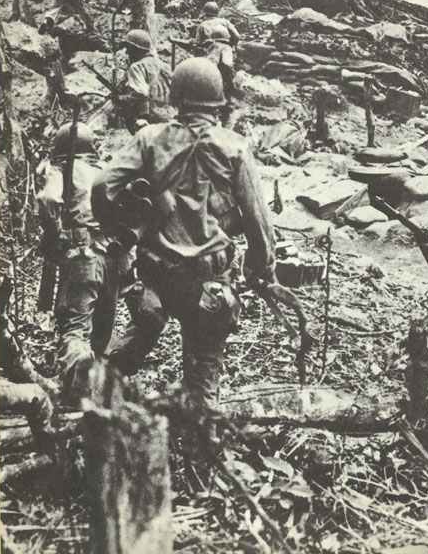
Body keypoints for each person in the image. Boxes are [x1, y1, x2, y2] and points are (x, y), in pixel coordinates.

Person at [91, 57, 276, 427]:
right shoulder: (235, 148)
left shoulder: (148, 139)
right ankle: (203, 466)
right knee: (204, 374)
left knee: (133, 344)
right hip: (208, 285)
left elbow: (100, 187)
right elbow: (258, 221)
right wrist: (263, 267)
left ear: (176, 98)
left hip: (157, 278)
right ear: (218, 102)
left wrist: (123, 225)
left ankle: (93, 407)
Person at [37, 122, 129, 403]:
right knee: (102, 331)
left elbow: (47, 199)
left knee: (75, 328)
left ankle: (79, 388)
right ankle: (99, 397)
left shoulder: (61, 171)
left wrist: (56, 235)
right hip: (112, 258)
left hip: (81, 257)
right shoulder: (106, 172)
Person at [117, 29, 173, 133]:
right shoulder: (165, 66)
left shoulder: (137, 67)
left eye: (129, 48)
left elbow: (141, 93)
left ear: (136, 49)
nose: (127, 52)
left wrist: (121, 98)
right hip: (170, 118)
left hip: (149, 121)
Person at [193, 1, 240, 122]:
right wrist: (232, 45)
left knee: (208, 76)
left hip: (212, 51)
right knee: (228, 77)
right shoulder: (224, 22)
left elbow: (197, 43)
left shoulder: (203, 25)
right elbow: (237, 36)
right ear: (217, 12)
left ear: (205, 12)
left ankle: (209, 104)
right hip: (226, 51)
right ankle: (229, 103)